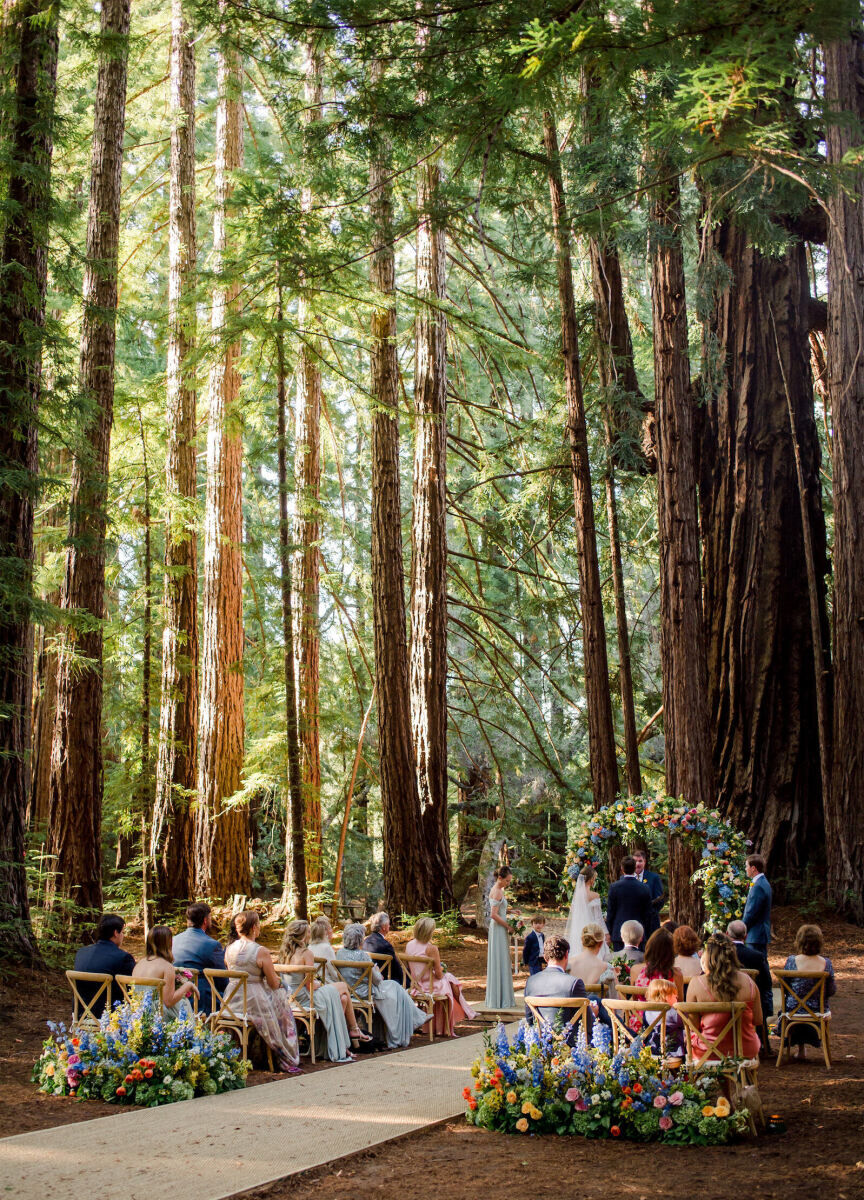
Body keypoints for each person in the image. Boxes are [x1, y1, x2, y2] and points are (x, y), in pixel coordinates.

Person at [279, 920, 370, 1062]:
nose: (310, 934)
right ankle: (353, 1029)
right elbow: (309, 986)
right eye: (308, 932)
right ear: (303, 935)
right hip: (307, 998)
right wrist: (320, 985)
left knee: (343, 999)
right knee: (343, 987)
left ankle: (339, 1044)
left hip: (291, 998)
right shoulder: (306, 953)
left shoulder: (284, 953)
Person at [225, 910, 301, 1073]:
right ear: (253, 927)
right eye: (259, 924)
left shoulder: (229, 948)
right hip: (253, 1002)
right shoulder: (260, 951)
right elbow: (273, 983)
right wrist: (280, 982)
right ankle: (284, 1050)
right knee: (281, 996)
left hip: (230, 1001)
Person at [337, 923, 429, 1048]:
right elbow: (377, 981)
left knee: (394, 986)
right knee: (395, 987)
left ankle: (416, 1018)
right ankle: (415, 1019)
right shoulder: (362, 956)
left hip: (349, 991)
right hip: (365, 992)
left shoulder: (340, 953)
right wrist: (377, 972)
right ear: (359, 940)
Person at [685, 932, 762, 1060]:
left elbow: (693, 1025)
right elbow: (758, 1020)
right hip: (744, 1050)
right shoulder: (749, 982)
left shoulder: (696, 984)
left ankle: (707, 1079)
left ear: (707, 956)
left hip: (708, 1052)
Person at [406, 916, 477, 1036]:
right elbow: (438, 975)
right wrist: (442, 969)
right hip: (430, 987)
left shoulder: (409, 945)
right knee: (451, 981)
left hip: (415, 985)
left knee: (450, 979)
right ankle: (461, 1016)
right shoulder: (431, 948)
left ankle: (467, 1012)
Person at [781, 924, 836, 1060]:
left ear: (799, 941)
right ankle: (804, 1049)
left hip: (793, 1010)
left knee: (792, 1004)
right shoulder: (826, 963)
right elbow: (831, 990)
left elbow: (785, 986)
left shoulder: (792, 961)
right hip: (818, 1010)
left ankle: (800, 1049)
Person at [72, 914, 137, 1018]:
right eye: (123, 932)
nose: (123, 936)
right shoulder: (123, 957)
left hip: (80, 1014)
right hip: (110, 1019)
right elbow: (133, 990)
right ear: (116, 933)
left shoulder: (81, 952)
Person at [525, 934, 589, 1037]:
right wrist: (594, 1012)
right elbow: (587, 1023)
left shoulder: (531, 981)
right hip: (570, 1046)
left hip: (540, 1043)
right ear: (566, 955)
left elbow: (529, 1020)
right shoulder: (574, 983)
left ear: (545, 957)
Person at [727, 919, 773, 1055]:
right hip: (751, 1004)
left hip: (725, 1002)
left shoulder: (722, 956)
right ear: (745, 936)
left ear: (727, 934)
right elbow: (766, 983)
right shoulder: (757, 956)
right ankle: (763, 1044)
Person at [131, 925, 197, 1019]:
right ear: (168, 943)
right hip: (157, 1016)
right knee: (184, 1003)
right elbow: (168, 1002)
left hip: (137, 1013)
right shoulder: (166, 967)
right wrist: (188, 985)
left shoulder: (139, 964)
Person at [172, 902, 226, 1016]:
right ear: (206, 920)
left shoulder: (173, 940)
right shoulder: (212, 945)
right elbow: (222, 979)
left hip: (175, 997)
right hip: (201, 1001)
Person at [485, 865, 516, 1009]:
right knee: (500, 958)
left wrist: (511, 910)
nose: (508, 883)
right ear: (500, 878)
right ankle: (499, 999)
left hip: (499, 927)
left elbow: (500, 909)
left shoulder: (499, 890)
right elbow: (493, 914)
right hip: (498, 928)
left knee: (503, 958)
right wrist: (508, 926)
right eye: (507, 881)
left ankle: (501, 996)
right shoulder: (497, 891)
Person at [606, 856, 653, 951]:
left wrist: (609, 932)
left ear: (622, 869)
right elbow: (648, 914)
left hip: (618, 934)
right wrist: (646, 933)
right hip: (638, 934)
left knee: (620, 964)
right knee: (638, 963)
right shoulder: (644, 888)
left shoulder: (614, 887)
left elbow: (610, 913)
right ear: (635, 868)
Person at [565, 865, 610, 960]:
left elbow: (575, 914)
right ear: (590, 879)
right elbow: (598, 918)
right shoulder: (595, 895)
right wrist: (605, 933)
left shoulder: (576, 896)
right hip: (593, 930)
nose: (594, 881)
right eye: (594, 878)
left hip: (579, 929)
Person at [631, 927, 685, 1000]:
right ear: (671, 952)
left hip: (642, 1011)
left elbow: (634, 1000)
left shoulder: (635, 970)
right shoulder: (676, 975)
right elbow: (679, 1004)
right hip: (667, 1011)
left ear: (649, 947)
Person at [567, 922, 616, 991]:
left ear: (582, 940)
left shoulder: (568, 964)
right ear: (601, 943)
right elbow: (616, 999)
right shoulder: (607, 969)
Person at [742, 853, 772, 959]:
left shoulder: (758, 886)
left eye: (747, 866)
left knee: (756, 964)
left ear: (753, 868)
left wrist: (741, 930)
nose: (746, 869)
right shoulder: (763, 882)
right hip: (759, 933)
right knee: (761, 964)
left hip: (755, 934)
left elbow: (751, 913)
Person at [644, 977, 684, 1057]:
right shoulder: (673, 1012)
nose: (676, 996)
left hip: (653, 1049)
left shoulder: (647, 1012)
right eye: (673, 993)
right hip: (673, 1051)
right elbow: (687, 1023)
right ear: (664, 996)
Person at [363, 912, 404, 986]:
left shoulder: (365, 941)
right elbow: (396, 968)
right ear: (384, 927)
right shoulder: (386, 945)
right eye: (388, 924)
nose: (389, 926)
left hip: (367, 980)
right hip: (384, 981)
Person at [633, 850, 664, 936]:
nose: (637, 864)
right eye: (635, 861)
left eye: (640, 861)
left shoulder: (654, 878)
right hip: (632, 923)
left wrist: (649, 913)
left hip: (650, 924)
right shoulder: (626, 878)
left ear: (644, 862)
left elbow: (660, 900)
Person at [309, 915, 339, 981]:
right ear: (325, 933)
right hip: (324, 982)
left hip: (312, 982)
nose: (332, 931)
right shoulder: (327, 948)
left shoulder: (309, 947)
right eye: (330, 928)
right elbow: (334, 973)